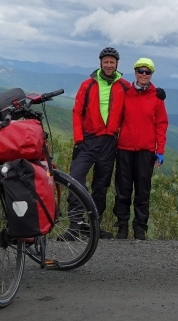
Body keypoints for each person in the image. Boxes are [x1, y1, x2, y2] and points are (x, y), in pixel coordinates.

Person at [62, 47, 129, 241]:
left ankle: (94, 227)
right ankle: (75, 225)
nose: (109, 65)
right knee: (75, 179)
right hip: (88, 140)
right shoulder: (88, 84)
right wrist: (79, 139)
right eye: (106, 62)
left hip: (109, 142)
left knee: (101, 186)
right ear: (100, 63)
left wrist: (157, 94)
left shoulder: (124, 86)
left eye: (112, 62)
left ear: (117, 64)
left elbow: (139, 100)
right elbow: (77, 112)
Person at [114, 57, 168, 240]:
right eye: (140, 71)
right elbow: (117, 117)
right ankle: (121, 227)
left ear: (152, 74)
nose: (144, 74)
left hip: (146, 150)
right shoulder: (126, 92)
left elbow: (161, 124)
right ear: (135, 73)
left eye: (147, 72)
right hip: (124, 148)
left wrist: (160, 150)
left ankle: (139, 229)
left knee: (143, 191)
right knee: (123, 190)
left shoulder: (157, 97)